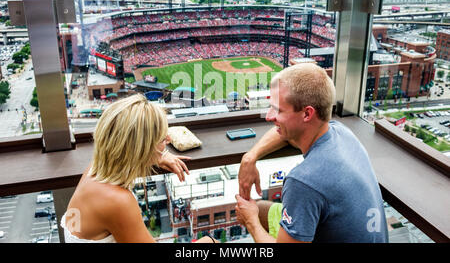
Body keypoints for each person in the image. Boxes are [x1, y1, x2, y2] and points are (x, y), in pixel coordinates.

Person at [236, 63, 388, 243]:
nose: (269, 116)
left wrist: (250, 221)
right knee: (261, 209)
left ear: (307, 114)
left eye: (278, 109)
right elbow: (285, 135)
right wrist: (249, 158)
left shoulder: (303, 182)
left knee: (244, 221)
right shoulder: (341, 133)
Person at [62, 94, 213, 243]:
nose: (169, 139)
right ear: (141, 150)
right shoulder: (117, 202)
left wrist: (157, 155)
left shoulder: (94, 169)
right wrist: (208, 241)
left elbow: (127, 156)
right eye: (162, 139)